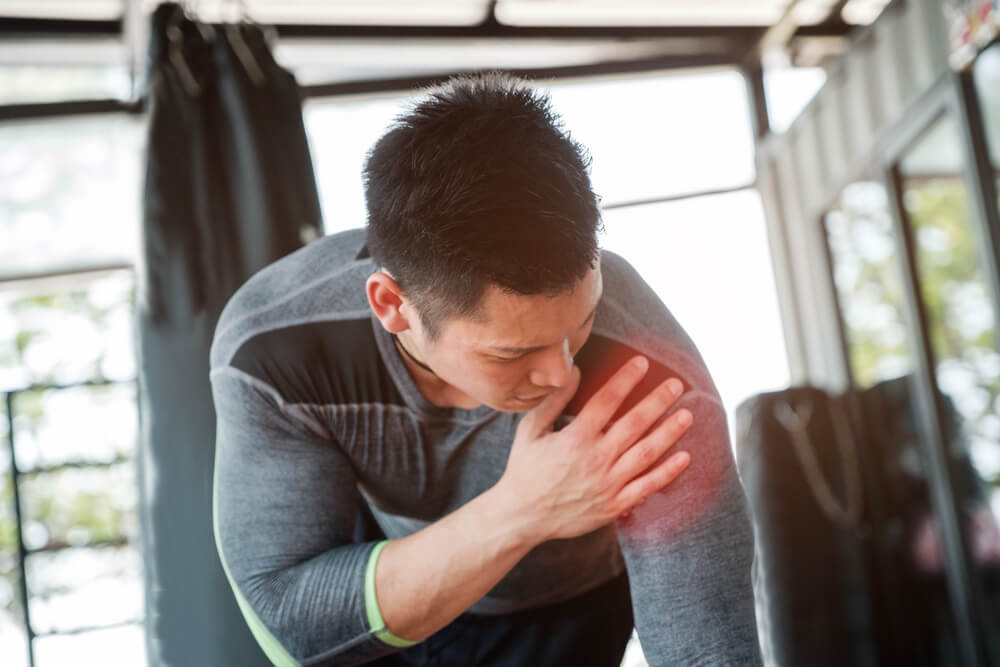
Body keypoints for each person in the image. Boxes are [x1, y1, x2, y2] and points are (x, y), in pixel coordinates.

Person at [210, 72, 761, 666]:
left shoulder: (648, 372)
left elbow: (707, 648)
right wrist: (524, 509)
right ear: (392, 305)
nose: (562, 374)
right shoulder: (272, 348)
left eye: (582, 322)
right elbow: (290, 618)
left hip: (567, 614)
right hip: (384, 605)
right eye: (512, 353)